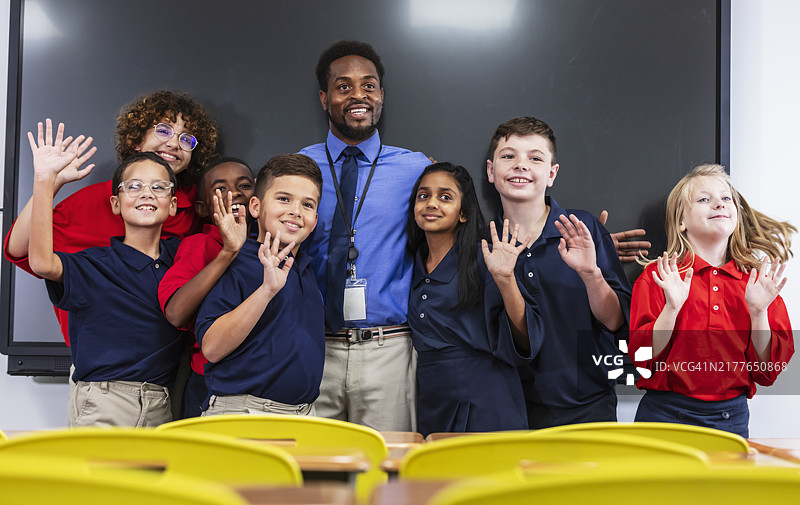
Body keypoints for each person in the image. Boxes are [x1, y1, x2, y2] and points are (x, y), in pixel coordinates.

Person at [3, 90, 218, 344]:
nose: (173, 143)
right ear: (137, 139)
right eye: (163, 130)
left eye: (186, 139)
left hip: (169, 358)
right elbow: (19, 249)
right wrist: (49, 182)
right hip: (103, 361)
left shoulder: (195, 206)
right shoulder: (92, 201)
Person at [299, 40, 430, 430]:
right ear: (325, 98)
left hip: (388, 347)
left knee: (389, 477)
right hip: (313, 347)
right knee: (314, 475)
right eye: (344, 86)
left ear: (381, 95)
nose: (358, 94)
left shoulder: (417, 170)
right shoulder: (297, 169)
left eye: (369, 85)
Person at [27, 119, 182, 427]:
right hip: (104, 399)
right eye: (134, 187)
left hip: (162, 403)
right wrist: (46, 180)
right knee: (103, 477)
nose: (146, 194)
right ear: (116, 203)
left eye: (159, 187)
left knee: (155, 477)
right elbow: (43, 263)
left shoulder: (181, 258)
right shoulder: (93, 264)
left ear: (173, 204)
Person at [486, 116, 632, 429]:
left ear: (551, 174)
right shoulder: (485, 245)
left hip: (589, 406)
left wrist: (591, 274)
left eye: (535, 158)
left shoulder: (583, 229)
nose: (521, 165)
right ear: (491, 170)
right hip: (511, 411)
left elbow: (616, 321)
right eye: (508, 156)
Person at [628, 164, 794, 437]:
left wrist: (758, 312)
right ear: (681, 221)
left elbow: (768, 371)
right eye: (704, 199)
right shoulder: (659, 277)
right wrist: (671, 308)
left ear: (736, 215)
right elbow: (643, 359)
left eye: (726, 198)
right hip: (663, 415)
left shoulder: (758, 283)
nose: (719, 203)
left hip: (729, 418)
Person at [406, 162, 539, 436]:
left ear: (463, 213)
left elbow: (526, 338)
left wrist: (505, 279)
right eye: (423, 195)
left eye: (445, 197)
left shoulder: (487, 258)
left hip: (486, 397)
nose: (431, 204)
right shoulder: (409, 262)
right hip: (432, 396)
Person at [195, 154, 325, 416]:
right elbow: (212, 348)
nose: (295, 211)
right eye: (284, 199)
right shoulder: (239, 263)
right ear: (255, 207)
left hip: (303, 414)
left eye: (307, 205)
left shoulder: (306, 270)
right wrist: (266, 291)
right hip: (245, 412)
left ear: (314, 221)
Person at [158, 157, 255, 418]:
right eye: (220, 189)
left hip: (260, 385)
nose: (234, 193)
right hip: (211, 384)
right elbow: (176, 312)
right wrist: (227, 252)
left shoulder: (268, 247)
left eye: (244, 186)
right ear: (202, 208)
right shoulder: (200, 245)